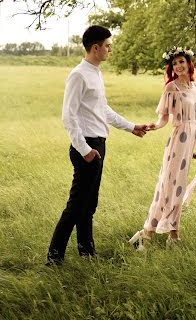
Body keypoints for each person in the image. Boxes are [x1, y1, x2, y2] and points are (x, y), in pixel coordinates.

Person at [47, 25, 149, 266]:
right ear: (95, 48)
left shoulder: (96, 72)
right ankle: (53, 259)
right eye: (107, 46)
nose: (109, 50)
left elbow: (103, 110)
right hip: (87, 147)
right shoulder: (78, 75)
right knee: (75, 206)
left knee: (89, 205)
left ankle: (87, 254)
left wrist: (132, 126)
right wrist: (84, 150)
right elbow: (68, 116)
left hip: (98, 145)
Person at [129, 46, 196, 249]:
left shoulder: (195, 88)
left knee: (178, 190)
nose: (178, 66)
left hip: (190, 143)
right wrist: (154, 126)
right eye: (174, 63)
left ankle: (172, 236)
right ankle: (147, 234)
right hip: (177, 142)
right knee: (167, 187)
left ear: (189, 63)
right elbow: (164, 119)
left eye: (181, 61)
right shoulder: (171, 88)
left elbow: (195, 122)